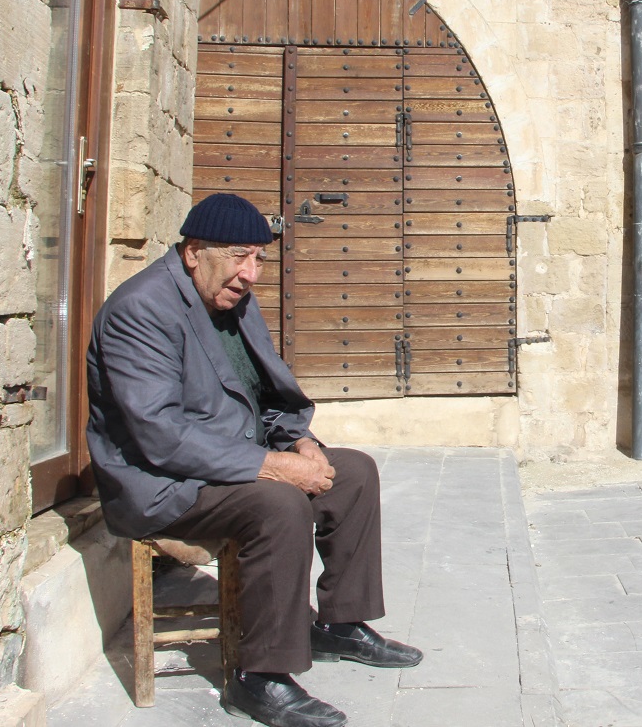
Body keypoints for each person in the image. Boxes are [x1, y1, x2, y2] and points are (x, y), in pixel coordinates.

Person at [86, 193, 421, 727]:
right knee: (279, 505)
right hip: (162, 482)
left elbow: (267, 394)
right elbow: (160, 436)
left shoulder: (232, 299)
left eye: (259, 258)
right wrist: (276, 467)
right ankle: (259, 677)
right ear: (193, 252)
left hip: (227, 459)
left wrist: (300, 442)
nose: (251, 274)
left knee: (354, 472)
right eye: (239, 256)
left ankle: (339, 625)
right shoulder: (141, 310)